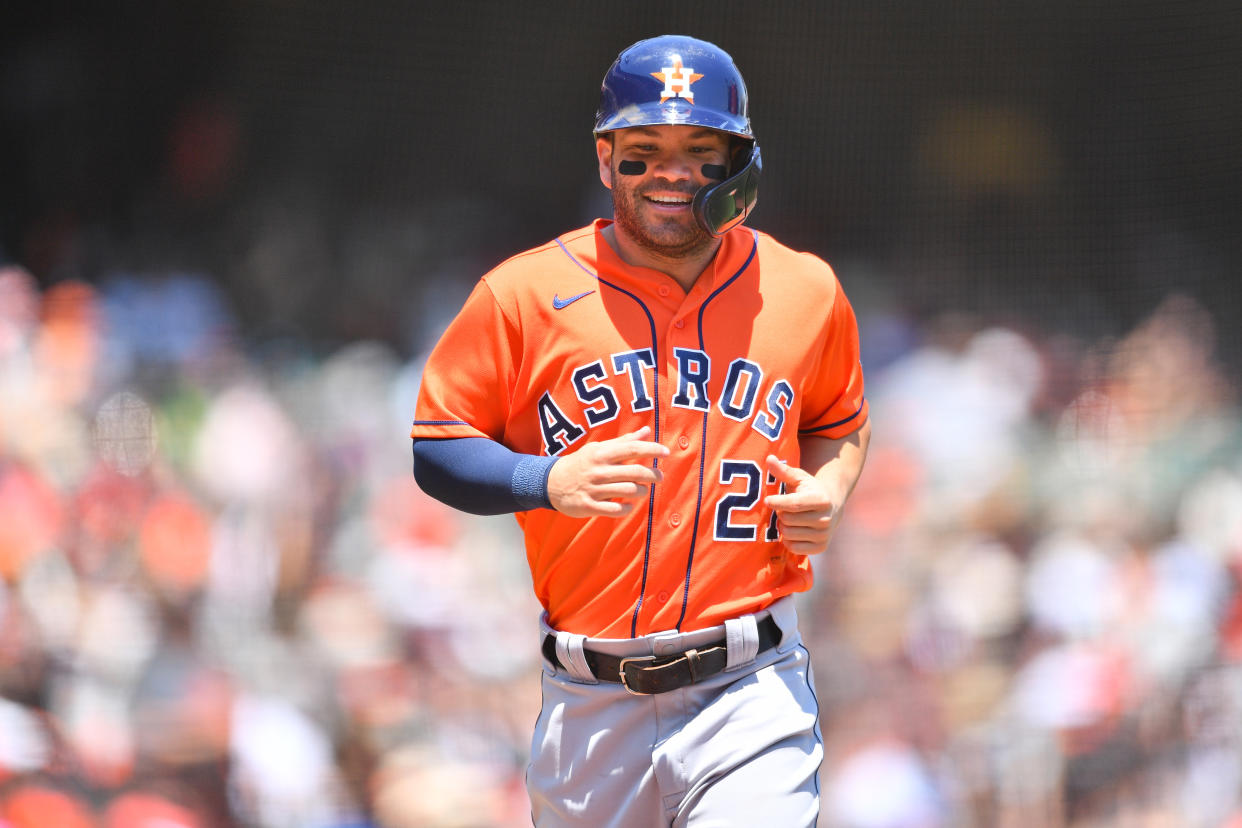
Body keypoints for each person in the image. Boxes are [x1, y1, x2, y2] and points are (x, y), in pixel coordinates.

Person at [410, 34, 870, 827]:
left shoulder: (805, 291)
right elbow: (438, 449)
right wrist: (544, 480)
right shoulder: (522, 293)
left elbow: (839, 423)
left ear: (741, 164)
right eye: (644, 148)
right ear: (604, 157)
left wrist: (827, 489)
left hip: (747, 686)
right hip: (589, 704)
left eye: (702, 148)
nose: (674, 170)